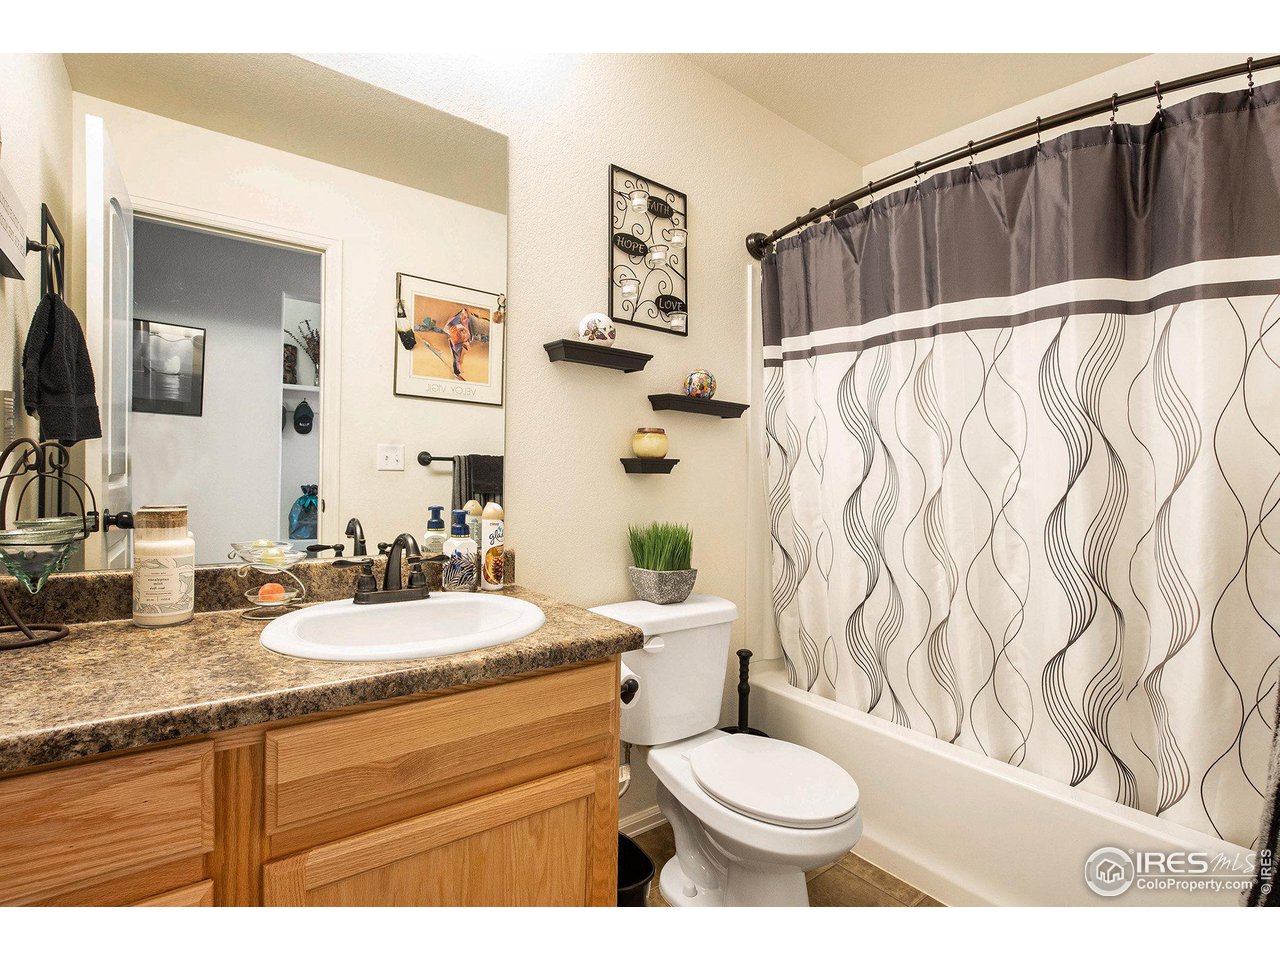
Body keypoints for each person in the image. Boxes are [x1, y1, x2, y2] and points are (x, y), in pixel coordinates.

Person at [443, 307, 473, 379]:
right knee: (456, 356)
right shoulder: (456, 322)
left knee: (458, 356)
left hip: (459, 340)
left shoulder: (465, 321)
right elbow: (448, 329)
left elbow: (467, 332)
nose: (465, 317)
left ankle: (457, 371)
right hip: (455, 340)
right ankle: (457, 372)